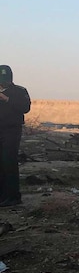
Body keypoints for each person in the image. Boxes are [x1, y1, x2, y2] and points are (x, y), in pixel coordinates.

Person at [0, 65, 31, 208]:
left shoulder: (19, 91)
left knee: (9, 162)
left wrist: (6, 99)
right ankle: (3, 196)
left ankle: (13, 196)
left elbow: (25, 108)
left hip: (11, 131)